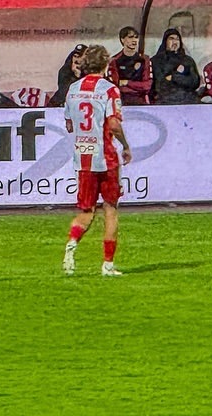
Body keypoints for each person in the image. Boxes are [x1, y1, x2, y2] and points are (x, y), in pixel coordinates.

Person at [62, 45, 131, 277]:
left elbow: (69, 123)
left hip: (83, 156)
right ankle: (108, 265)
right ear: (105, 65)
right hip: (105, 156)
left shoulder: (72, 89)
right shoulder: (109, 90)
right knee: (110, 209)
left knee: (86, 211)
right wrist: (125, 144)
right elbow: (113, 123)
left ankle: (71, 247)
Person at [150, 28, 201, 104]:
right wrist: (182, 78)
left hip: (188, 99)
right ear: (165, 41)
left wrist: (174, 77)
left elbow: (195, 82)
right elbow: (160, 84)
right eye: (171, 39)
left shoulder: (187, 60)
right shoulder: (156, 61)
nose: (175, 42)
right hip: (165, 100)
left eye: (177, 39)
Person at [107, 26, 151, 106]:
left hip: (140, 101)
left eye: (136, 37)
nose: (134, 40)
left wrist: (127, 82)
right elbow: (116, 86)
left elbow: (147, 86)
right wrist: (137, 86)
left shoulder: (145, 59)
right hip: (121, 101)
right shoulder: (115, 60)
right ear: (122, 40)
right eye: (130, 37)